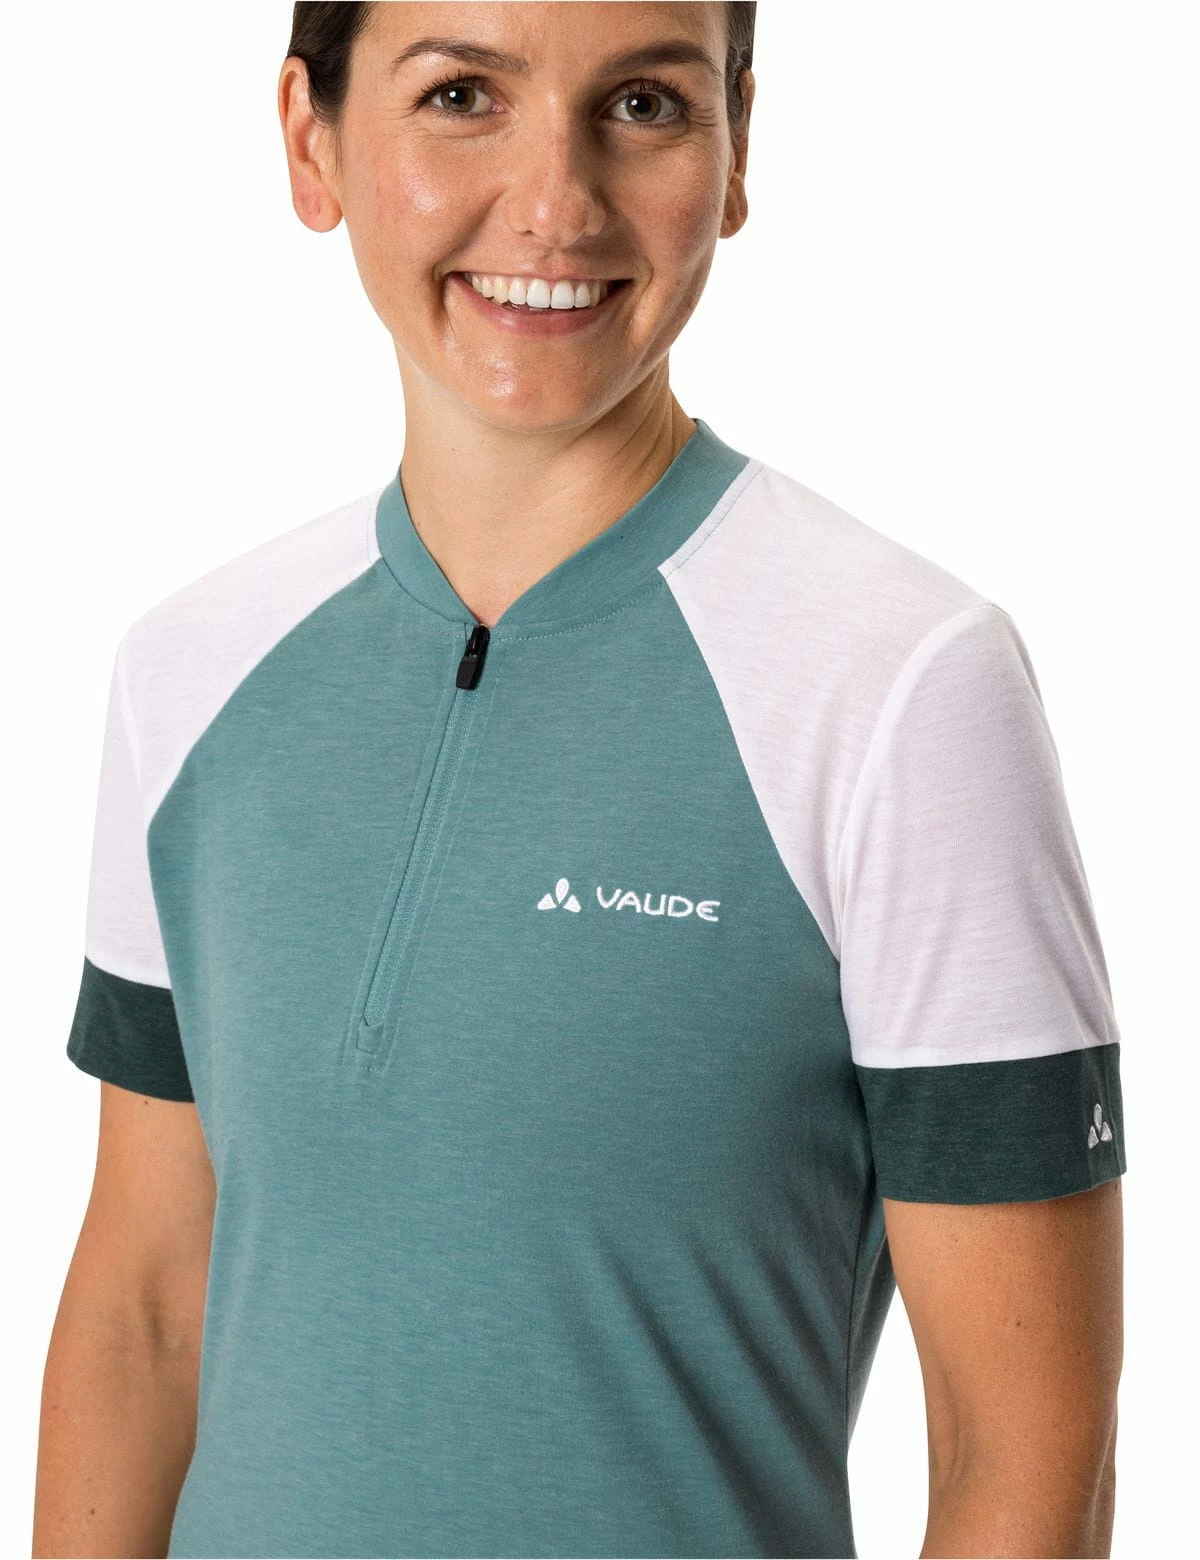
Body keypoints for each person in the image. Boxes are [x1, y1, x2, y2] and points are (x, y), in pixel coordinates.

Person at [34, 4, 1126, 1557]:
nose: (556, 204)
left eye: (645, 106)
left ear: (736, 151)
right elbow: (145, 1308)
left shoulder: (903, 687)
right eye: (460, 95)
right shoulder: (188, 670)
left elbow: (1021, 1450)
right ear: (309, 140)